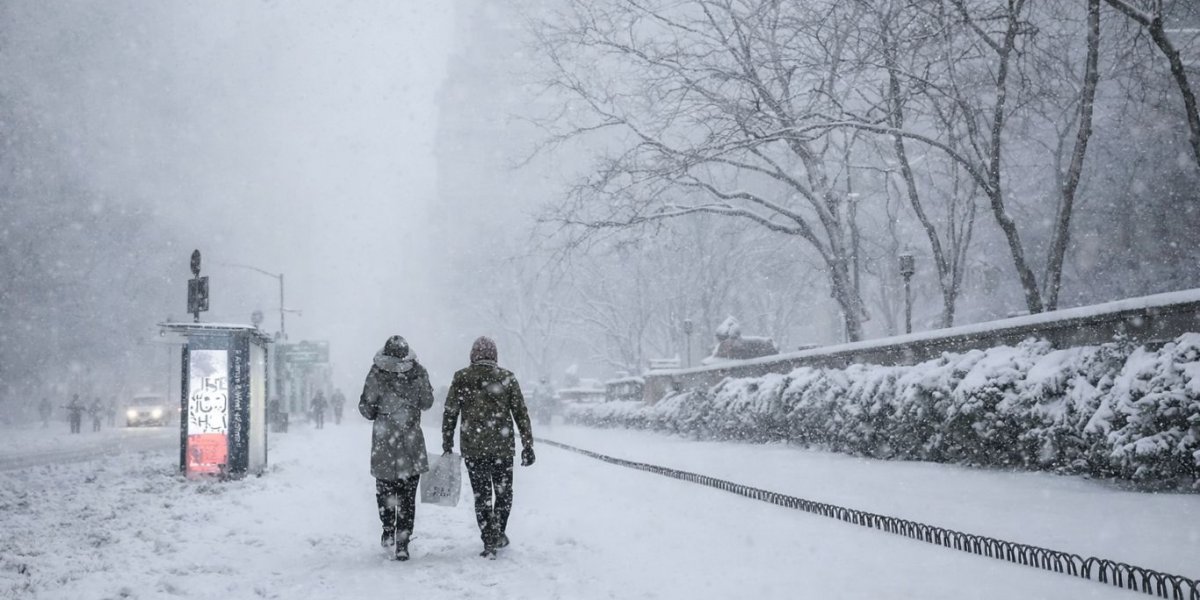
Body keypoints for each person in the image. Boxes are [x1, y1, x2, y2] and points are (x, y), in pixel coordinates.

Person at [442, 336, 535, 559]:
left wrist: (447, 440)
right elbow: (521, 413)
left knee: (481, 495)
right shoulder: (507, 378)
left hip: (474, 448)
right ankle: (498, 531)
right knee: (504, 494)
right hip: (502, 447)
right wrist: (527, 444)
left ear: (473, 355)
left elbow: (450, 411)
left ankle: (488, 538)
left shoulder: (462, 377)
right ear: (494, 355)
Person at [359, 335, 434, 561]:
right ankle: (403, 541)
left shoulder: (376, 373)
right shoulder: (418, 372)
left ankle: (387, 529)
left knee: (385, 490)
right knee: (407, 495)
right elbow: (427, 402)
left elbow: (366, 407)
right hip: (410, 441)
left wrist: (378, 412)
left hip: (384, 443)